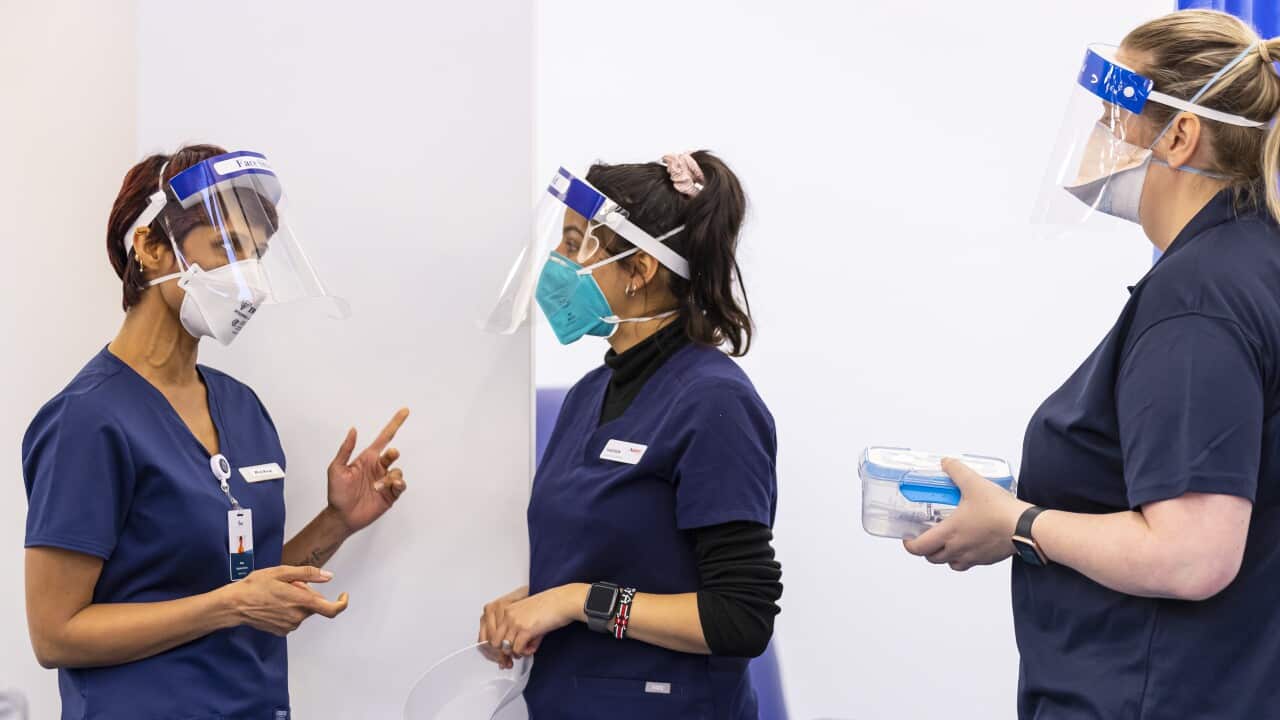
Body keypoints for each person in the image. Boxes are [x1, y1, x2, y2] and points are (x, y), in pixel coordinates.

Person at [903, 10, 1280, 718]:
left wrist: (1017, 524)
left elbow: (1192, 555)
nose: (1098, 139)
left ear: (1179, 134)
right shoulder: (1251, 262)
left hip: (1157, 694)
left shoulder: (1200, 301)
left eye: (1113, 118)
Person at [22, 144, 410, 720]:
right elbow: (56, 635)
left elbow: (241, 583)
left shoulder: (241, 407)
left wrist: (338, 521)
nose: (247, 276)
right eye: (227, 246)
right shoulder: (88, 419)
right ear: (151, 247)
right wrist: (228, 607)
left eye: (256, 253)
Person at [480, 152, 782, 719]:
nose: (557, 262)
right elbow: (623, 565)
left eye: (575, 245)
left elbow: (739, 617)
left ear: (639, 269)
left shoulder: (715, 403)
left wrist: (572, 601)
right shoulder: (589, 395)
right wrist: (538, 601)